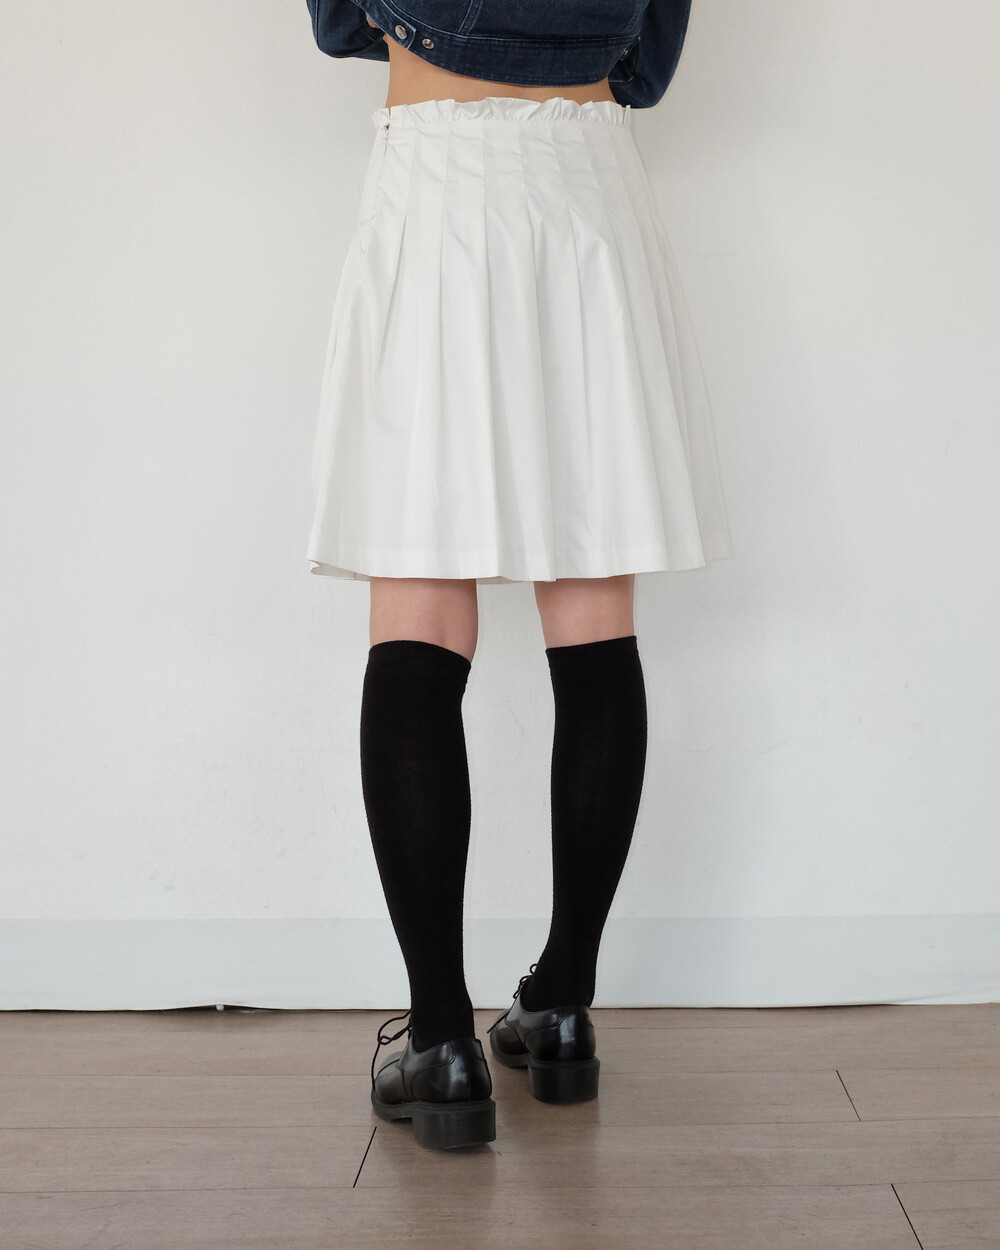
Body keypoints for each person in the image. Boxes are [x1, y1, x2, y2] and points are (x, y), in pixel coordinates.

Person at [303, 1, 733, 1151]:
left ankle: (442, 1041)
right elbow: (648, 64)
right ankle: (562, 1002)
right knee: (592, 609)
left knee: (419, 596)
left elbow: (339, 20)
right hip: (590, 191)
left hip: (437, 183)